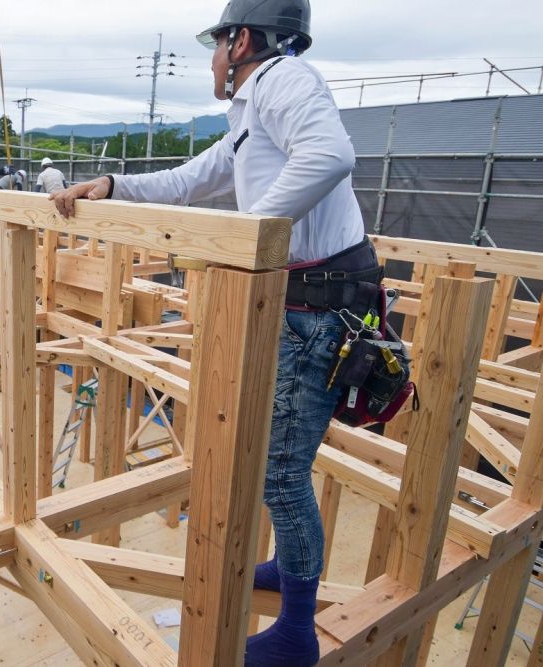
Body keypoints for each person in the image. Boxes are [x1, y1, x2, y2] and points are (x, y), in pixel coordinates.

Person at [50, 2, 382, 665]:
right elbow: (188, 180)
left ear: (244, 41)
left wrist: (246, 231)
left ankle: (296, 630)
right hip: (302, 303)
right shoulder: (250, 112)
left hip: (321, 308)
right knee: (274, 458)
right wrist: (111, 185)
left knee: (281, 474)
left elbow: (331, 155)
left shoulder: (283, 79)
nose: (210, 59)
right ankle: (287, 572)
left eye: (216, 44)